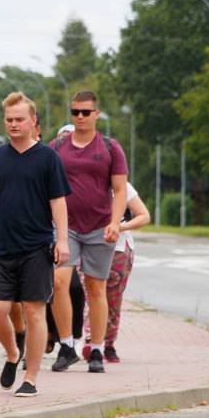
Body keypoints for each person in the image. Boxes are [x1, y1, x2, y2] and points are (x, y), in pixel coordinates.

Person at [0, 92, 70, 397]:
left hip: (36, 247)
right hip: (1, 248)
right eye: (9, 119)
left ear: (33, 121)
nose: (13, 124)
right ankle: (11, 352)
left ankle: (31, 378)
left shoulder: (48, 158)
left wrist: (62, 239)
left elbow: (57, 202)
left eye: (19, 119)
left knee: (35, 312)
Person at [50, 91, 128, 374]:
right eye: (75, 112)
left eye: (85, 112)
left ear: (96, 114)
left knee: (96, 289)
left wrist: (115, 222)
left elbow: (119, 190)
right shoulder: (58, 146)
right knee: (59, 283)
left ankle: (96, 349)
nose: (80, 117)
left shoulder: (109, 147)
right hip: (65, 227)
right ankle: (67, 345)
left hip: (99, 227)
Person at [81, 182, 150, 363]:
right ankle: (91, 340)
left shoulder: (122, 186)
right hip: (89, 247)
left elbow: (144, 216)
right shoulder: (82, 182)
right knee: (90, 294)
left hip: (118, 249)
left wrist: (121, 227)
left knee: (113, 299)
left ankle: (109, 343)